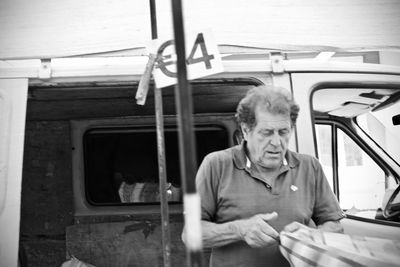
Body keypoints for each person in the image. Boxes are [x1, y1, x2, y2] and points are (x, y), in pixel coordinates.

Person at [183, 85, 345, 266]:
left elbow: (335, 226)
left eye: (283, 132)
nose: (277, 142)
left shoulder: (309, 167)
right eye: (266, 133)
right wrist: (239, 230)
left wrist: (312, 236)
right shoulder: (216, 165)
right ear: (245, 131)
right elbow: (190, 235)